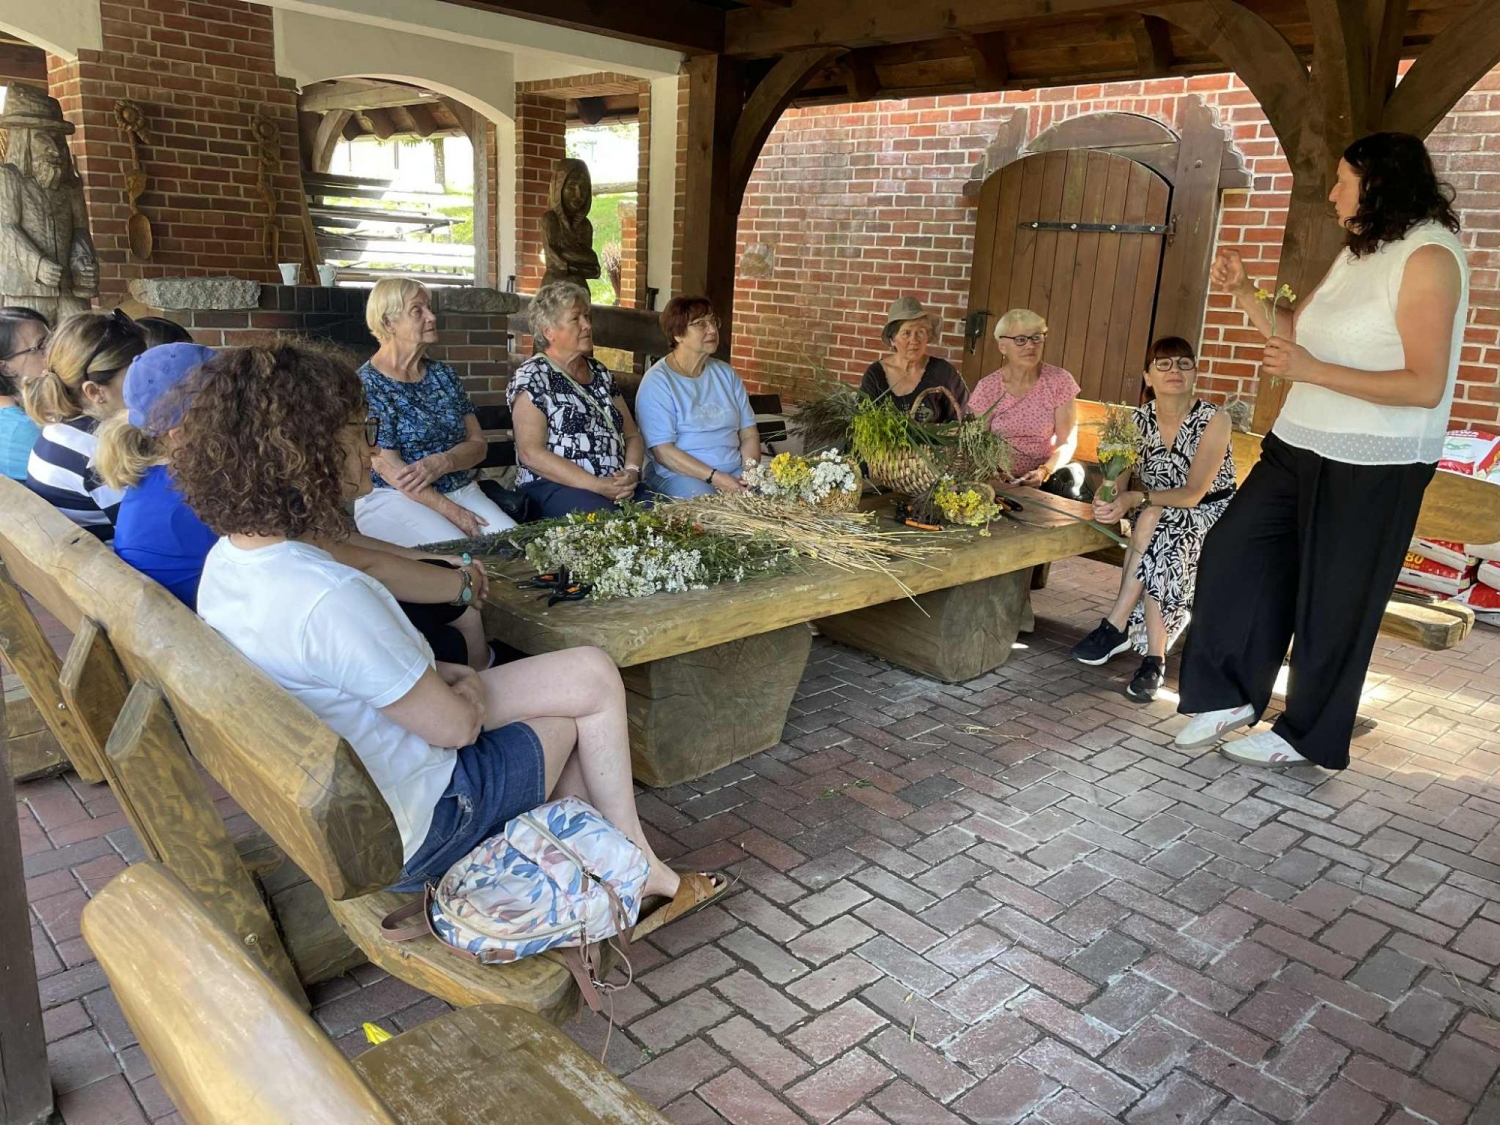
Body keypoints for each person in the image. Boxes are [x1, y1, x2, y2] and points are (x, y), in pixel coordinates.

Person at [177, 339, 726, 926]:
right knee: (577, 705)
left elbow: (338, 672)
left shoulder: (230, 562)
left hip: (349, 790)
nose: (372, 449)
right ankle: (634, 871)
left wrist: (440, 669)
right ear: (308, 450)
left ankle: (607, 874)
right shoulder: (329, 597)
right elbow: (457, 727)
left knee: (586, 675)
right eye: (361, 431)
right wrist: (459, 683)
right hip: (419, 826)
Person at [1175, 132, 1469, 769]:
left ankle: (1305, 736)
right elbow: (1295, 336)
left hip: (1376, 460)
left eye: (1343, 181)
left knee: (1335, 603)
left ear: (1379, 185)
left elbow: (1424, 384)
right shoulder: (1358, 252)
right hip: (1299, 441)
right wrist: (1244, 292)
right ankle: (1231, 695)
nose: (1332, 193)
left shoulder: (1429, 257)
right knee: (1234, 551)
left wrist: (1312, 372)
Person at [100, 343, 496, 670]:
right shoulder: (205, 492)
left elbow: (329, 539)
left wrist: (429, 561)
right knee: (444, 619)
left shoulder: (179, 476)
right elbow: (346, 560)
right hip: (247, 658)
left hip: (236, 642)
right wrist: (458, 583)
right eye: (232, 399)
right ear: (184, 430)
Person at [1069, 338, 1235, 703]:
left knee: (1155, 523)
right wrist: (1108, 499)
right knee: (1155, 523)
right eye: (1164, 364)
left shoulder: (1214, 419)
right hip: (1156, 515)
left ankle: (1117, 626)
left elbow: (1194, 494)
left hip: (1211, 515)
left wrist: (1137, 499)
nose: (1175, 370)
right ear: (1148, 376)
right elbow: (1117, 481)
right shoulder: (1136, 422)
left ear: (1195, 372)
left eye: (1184, 363)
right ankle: (1153, 660)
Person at [353, 278, 516, 548]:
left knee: (517, 546)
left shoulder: (443, 375)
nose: (431, 317)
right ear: (389, 323)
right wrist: (452, 512)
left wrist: (444, 461)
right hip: (395, 498)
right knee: (465, 554)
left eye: (429, 308)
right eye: (417, 311)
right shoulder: (368, 384)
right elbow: (392, 469)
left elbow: (478, 445)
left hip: (460, 489)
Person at [509, 281, 648, 517]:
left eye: (587, 316)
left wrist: (631, 472)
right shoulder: (533, 376)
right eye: (575, 319)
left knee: (667, 516)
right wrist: (596, 485)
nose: (587, 325)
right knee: (609, 523)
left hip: (615, 486)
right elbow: (530, 453)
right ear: (548, 331)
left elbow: (632, 435)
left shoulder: (600, 373)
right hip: (555, 487)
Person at [23, 310, 145, 540]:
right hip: (111, 560)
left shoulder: (59, 429)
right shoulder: (101, 452)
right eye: (135, 376)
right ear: (95, 391)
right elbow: (146, 532)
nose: (145, 384)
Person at [636, 296, 759, 499]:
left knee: (778, 498)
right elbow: (664, 452)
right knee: (713, 509)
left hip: (734, 471)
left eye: (713, 321)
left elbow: (748, 434)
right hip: (680, 474)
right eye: (701, 324)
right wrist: (715, 477)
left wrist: (750, 472)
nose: (712, 330)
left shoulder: (726, 374)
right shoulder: (658, 382)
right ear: (678, 335)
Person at [966, 309, 1088, 499]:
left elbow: (1066, 442)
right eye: (1021, 340)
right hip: (997, 480)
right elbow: (976, 445)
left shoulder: (1059, 381)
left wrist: (1043, 471)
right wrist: (994, 473)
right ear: (1003, 346)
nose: (1030, 345)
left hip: (1046, 480)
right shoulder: (988, 387)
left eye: (1036, 338)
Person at [859, 297, 968, 423]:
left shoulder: (944, 373)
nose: (914, 340)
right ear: (892, 339)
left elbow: (961, 420)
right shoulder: (875, 374)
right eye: (906, 333)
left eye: (920, 332)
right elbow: (862, 419)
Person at [0, 307, 47, 479]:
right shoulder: (24, 428)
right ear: (6, 368)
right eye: (41, 346)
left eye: (53, 341)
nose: (54, 352)